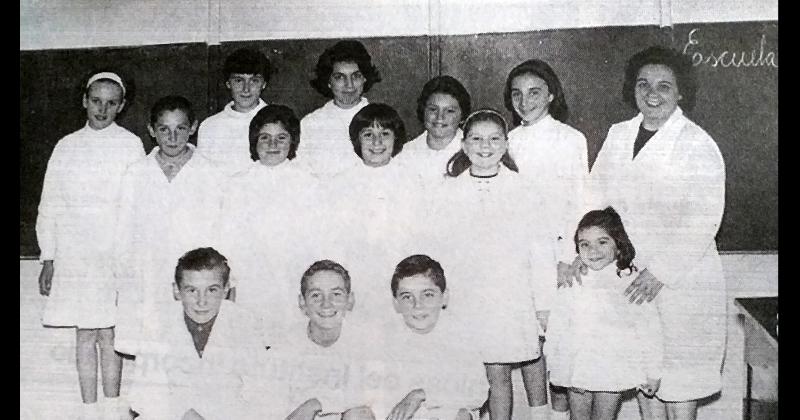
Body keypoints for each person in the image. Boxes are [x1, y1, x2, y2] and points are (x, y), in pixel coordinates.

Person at [570, 46, 727, 420]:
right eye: (643, 84)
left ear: (681, 92)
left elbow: (704, 217)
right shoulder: (619, 134)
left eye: (664, 86)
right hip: (630, 274)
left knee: (680, 383)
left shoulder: (697, 143)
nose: (652, 94)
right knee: (646, 375)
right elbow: (596, 197)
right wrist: (584, 248)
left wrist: (662, 272)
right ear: (633, 88)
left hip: (684, 281)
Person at [36, 70, 144, 419]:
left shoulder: (130, 144)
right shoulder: (66, 146)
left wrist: (131, 257)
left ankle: (112, 410)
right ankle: (88, 411)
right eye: (96, 101)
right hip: (75, 254)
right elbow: (49, 203)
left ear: (122, 106)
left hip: (114, 252)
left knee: (109, 332)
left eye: (111, 103)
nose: (102, 109)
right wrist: (49, 257)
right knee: (85, 332)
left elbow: (136, 204)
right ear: (85, 100)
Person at [434, 109, 555, 420]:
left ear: (505, 144)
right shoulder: (448, 191)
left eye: (493, 139)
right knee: (477, 373)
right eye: (476, 138)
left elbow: (541, 252)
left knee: (499, 371)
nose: (484, 146)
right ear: (463, 144)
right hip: (466, 298)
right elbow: (440, 250)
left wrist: (543, 304)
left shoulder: (525, 189)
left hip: (509, 297)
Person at [127, 247, 315, 419]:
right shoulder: (158, 323)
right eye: (192, 290)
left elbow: (261, 388)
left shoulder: (243, 322)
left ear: (226, 290)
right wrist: (183, 412)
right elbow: (142, 393)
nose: (202, 301)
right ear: (177, 290)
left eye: (212, 290)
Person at [503, 58, 590, 420]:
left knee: (559, 345)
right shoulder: (506, 140)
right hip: (521, 257)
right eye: (517, 94)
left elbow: (580, 201)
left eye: (534, 92)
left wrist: (569, 258)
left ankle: (559, 416)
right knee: (529, 341)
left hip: (560, 257)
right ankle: (539, 415)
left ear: (551, 94)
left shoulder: (570, 140)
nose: (525, 101)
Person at [113, 96, 226, 358]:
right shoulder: (136, 173)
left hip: (195, 277)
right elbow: (124, 230)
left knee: (194, 349)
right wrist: (123, 276)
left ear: (193, 128)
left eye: (180, 129)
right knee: (151, 349)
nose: (173, 137)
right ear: (152, 130)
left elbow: (221, 229)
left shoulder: (211, 173)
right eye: (164, 129)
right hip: (148, 274)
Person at [546, 207, 663, 420]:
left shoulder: (630, 282)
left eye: (602, 242)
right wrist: (552, 360)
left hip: (612, 366)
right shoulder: (574, 280)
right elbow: (557, 325)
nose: (593, 251)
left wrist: (652, 372)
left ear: (618, 244)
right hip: (577, 365)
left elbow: (649, 330)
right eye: (585, 244)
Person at [218, 104, 317, 329]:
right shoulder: (236, 184)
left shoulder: (309, 184)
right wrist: (230, 284)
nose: (273, 145)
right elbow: (226, 239)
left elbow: (316, 241)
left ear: (293, 141)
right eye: (265, 138)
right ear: (254, 142)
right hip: (250, 282)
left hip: (293, 281)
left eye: (281, 137)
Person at [267, 260, 383, 419]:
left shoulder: (365, 343)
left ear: (350, 300)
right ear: (302, 302)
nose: (326, 304)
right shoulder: (283, 348)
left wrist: (316, 404)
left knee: (359, 414)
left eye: (336, 294)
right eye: (316, 295)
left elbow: (374, 399)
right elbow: (270, 409)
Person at [378, 254, 487, 420]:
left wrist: (421, 394)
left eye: (427, 295)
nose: (418, 305)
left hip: (446, 413)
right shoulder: (387, 339)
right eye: (407, 297)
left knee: (461, 415)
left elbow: (478, 391)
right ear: (396, 303)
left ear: (444, 297)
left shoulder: (461, 336)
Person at [296, 40, 382, 177]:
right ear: (329, 82)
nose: (349, 85)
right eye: (339, 77)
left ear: (365, 78)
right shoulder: (311, 123)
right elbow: (302, 174)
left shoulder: (382, 119)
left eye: (356, 76)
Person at [197, 48, 272, 174]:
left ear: (264, 84)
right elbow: (205, 177)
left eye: (254, 81)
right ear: (228, 83)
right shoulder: (209, 126)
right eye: (238, 80)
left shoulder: (278, 122)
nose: (246, 89)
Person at [392, 75, 471, 182]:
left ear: (462, 116)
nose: (440, 117)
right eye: (433, 109)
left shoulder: (473, 152)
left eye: (449, 111)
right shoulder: (406, 153)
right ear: (423, 111)